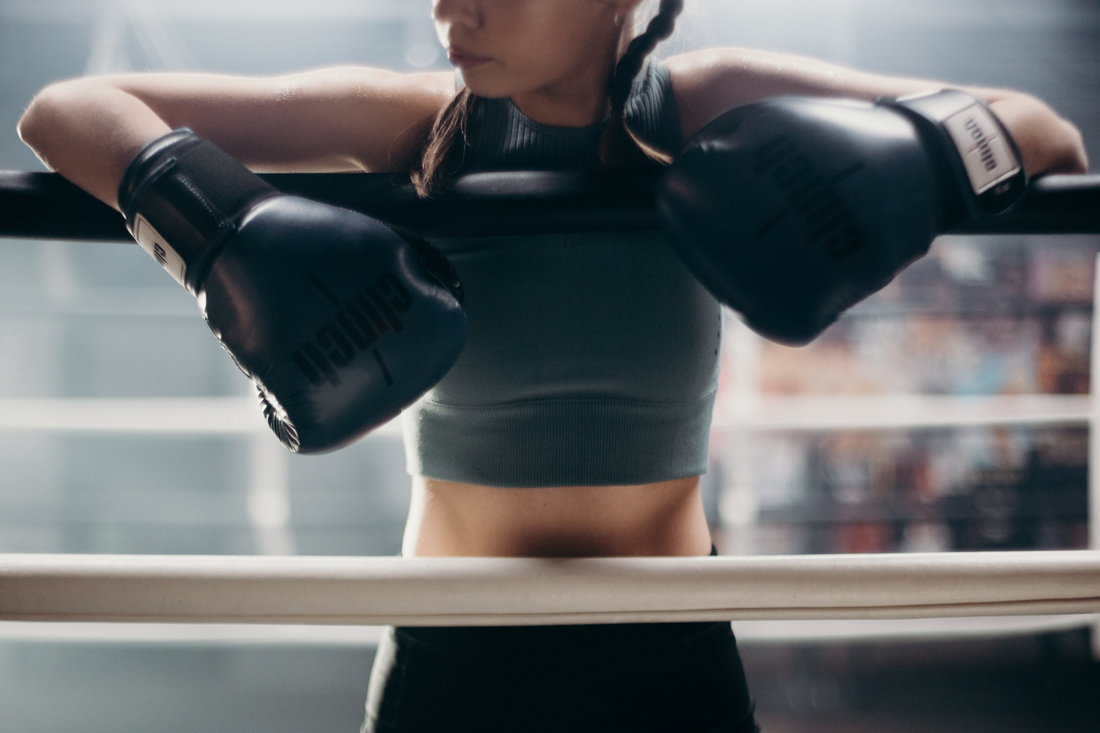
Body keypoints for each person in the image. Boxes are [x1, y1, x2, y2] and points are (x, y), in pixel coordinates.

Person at [16, 1, 1089, 731]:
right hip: (453, 636)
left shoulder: (696, 105)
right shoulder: (414, 126)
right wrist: (227, 226)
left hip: (665, 631)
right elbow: (62, 114)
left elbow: (1040, 132)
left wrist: (914, 164)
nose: (450, 8)